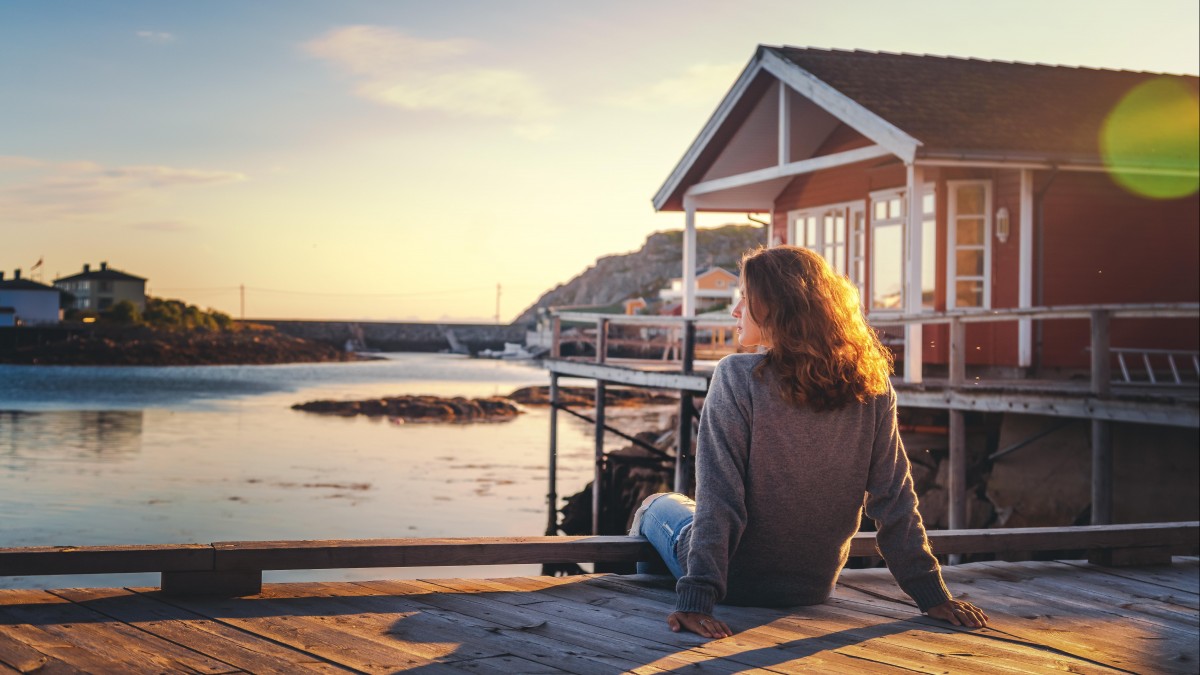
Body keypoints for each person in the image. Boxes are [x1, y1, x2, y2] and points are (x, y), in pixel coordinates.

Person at [629, 245, 989, 639]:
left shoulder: (737, 376)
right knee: (691, 511)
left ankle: (669, 613)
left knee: (655, 507)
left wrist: (697, 597)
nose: (735, 311)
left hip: (733, 583)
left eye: (745, 300)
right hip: (813, 586)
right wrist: (931, 595)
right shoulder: (871, 386)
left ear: (774, 308)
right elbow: (894, 499)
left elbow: (720, 499)